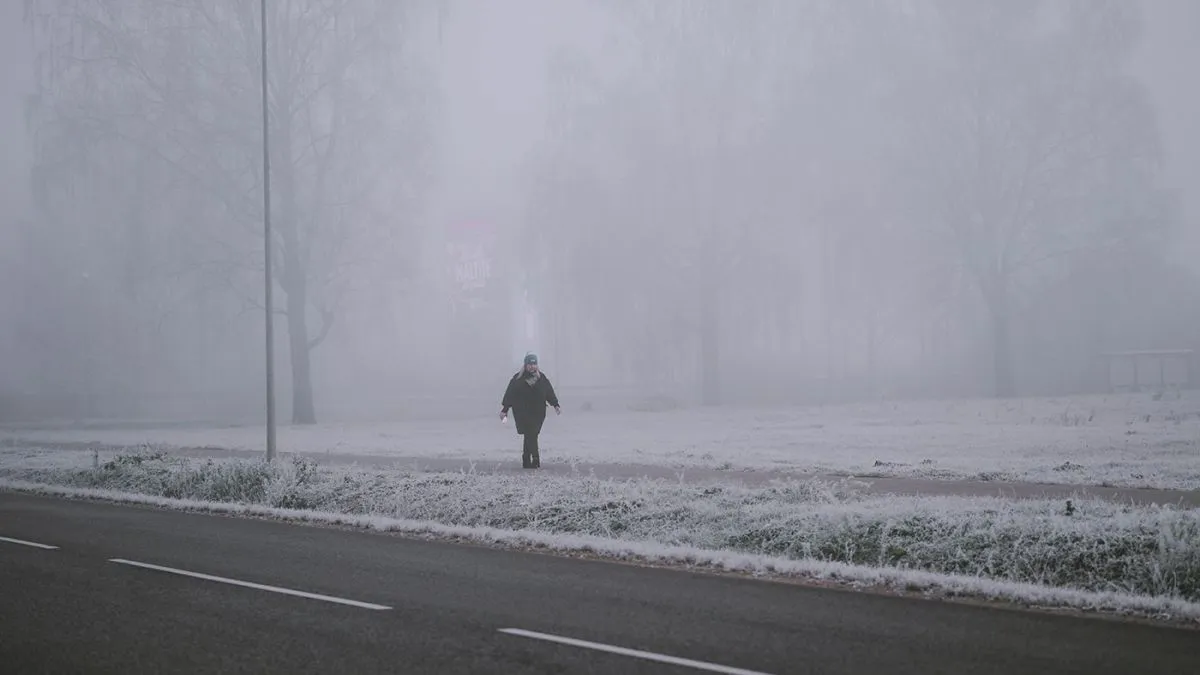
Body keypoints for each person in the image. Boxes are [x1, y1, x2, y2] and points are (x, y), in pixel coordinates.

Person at [500, 352, 560, 469]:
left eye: (534, 364)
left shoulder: (541, 378)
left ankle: (526, 459)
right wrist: (505, 409)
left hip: (538, 412)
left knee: (531, 434)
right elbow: (510, 394)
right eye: (530, 364)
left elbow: (549, 392)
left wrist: (555, 404)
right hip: (523, 412)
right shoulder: (518, 379)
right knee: (531, 434)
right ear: (525, 365)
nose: (532, 366)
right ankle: (535, 460)